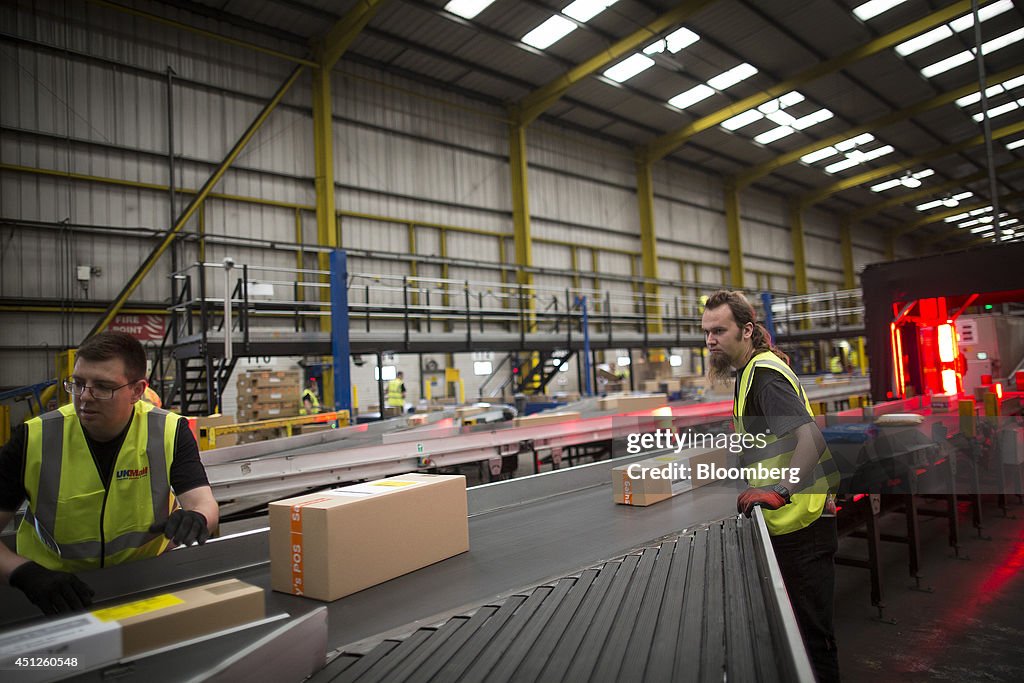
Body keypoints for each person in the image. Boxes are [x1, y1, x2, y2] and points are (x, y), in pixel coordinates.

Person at [0, 332, 219, 615]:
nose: (84, 398)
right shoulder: (34, 438)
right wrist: (24, 573)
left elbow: (204, 503)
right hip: (58, 594)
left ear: (138, 391)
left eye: (103, 387)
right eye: (77, 384)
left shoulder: (168, 431)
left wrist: (198, 518)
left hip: (146, 584)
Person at [701, 290, 840, 683]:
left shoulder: (763, 375)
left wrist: (780, 490)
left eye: (719, 331)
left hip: (802, 526)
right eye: (706, 332)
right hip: (788, 524)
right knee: (795, 638)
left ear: (746, 330)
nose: (710, 340)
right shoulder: (750, 372)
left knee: (813, 645)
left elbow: (811, 441)